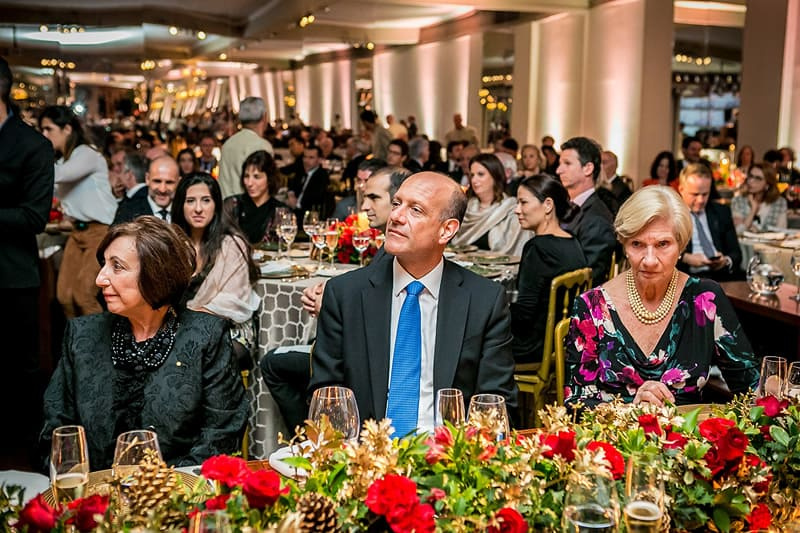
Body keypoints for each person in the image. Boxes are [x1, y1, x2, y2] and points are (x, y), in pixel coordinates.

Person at [310, 172, 519, 434]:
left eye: (416, 210)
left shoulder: (484, 301)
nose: (396, 216)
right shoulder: (345, 294)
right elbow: (326, 396)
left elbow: (496, 404)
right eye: (397, 203)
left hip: (447, 450)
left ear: (447, 230)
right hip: (366, 449)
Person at [41, 217, 248, 469]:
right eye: (104, 264)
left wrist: (164, 488)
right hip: (97, 490)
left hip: (180, 488)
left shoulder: (205, 336)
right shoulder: (82, 336)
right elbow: (57, 432)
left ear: (156, 274)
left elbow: (221, 435)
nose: (100, 279)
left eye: (117, 267)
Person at [564, 186, 759, 408]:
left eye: (662, 244)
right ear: (624, 244)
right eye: (637, 244)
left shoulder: (705, 299)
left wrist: (772, 386)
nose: (649, 260)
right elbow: (575, 403)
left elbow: (749, 385)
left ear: (681, 245)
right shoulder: (591, 307)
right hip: (616, 429)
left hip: (688, 430)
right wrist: (629, 411)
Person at [261, 166, 410, 431]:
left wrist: (332, 307)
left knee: (273, 363)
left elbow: (382, 316)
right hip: (355, 352)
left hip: (363, 360)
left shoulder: (397, 250)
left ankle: (309, 436)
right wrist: (334, 295)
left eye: (374, 198)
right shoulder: (389, 248)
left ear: (399, 202)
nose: (364, 206)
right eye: (365, 197)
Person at [0, 56, 55, 461]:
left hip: (10, 276)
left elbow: (35, 217)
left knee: (17, 374)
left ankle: (21, 461)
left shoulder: (32, 145)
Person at [172, 173, 260, 363]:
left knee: (192, 355)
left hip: (230, 328)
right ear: (181, 205)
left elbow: (232, 302)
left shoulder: (231, 244)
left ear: (216, 205)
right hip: (180, 327)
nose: (198, 209)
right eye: (190, 201)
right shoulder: (173, 245)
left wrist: (188, 317)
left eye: (206, 200)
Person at [40, 105, 117, 318]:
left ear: (67, 129)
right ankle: (77, 339)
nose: (44, 135)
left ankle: (100, 341)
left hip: (100, 232)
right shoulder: (62, 161)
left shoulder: (86, 153)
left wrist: (30, 159)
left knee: (84, 296)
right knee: (64, 296)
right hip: (77, 232)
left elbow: (60, 175)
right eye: (42, 130)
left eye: (48, 129)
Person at [511, 175, 587, 364]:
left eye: (523, 202)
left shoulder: (538, 248)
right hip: (563, 343)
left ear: (547, 205)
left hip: (534, 347)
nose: (516, 210)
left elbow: (524, 314)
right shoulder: (572, 241)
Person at [558, 137, 616, 286]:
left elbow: (587, 278)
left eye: (567, 163)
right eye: (560, 164)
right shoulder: (565, 206)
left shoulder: (597, 219)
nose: (559, 170)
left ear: (588, 169)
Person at [449, 153, 530, 255]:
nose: (474, 180)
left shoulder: (510, 208)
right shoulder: (467, 207)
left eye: (480, 174)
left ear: (495, 176)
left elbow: (515, 248)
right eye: (472, 175)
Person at [677, 163, 743, 281]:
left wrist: (725, 261)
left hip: (719, 277)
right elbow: (661, 253)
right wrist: (685, 258)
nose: (701, 200)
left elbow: (736, 254)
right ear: (681, 189)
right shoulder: (672, 215)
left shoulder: (721, 212)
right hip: (686, 278)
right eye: (695, 194)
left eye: (705, 194)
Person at [223, 150, 287, 244]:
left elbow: (283, 246)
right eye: (246, 176)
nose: (249, 183)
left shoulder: (280, 210)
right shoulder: (232, 205)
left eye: (256, 177)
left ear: (269, 179)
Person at [218, 97, 274, 198]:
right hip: (249, 206)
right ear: (264, 117)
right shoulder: (262, 146)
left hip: (226, 204)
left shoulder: (228, 144)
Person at [112, 156, 179, 224]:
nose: (162, 189)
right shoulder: (127, 211)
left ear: (179, 182)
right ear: (147, 179)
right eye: (157, 181)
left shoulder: (183, 211)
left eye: (169, 182)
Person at [731, 163, 787, 233]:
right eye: (750, 176)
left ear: (767, 185)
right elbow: (737, 232)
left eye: (758, 178)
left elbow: (781, 232)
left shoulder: (780, 203)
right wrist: (753, 210)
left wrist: (758, 232)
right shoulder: (738, 201)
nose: (751, 181)